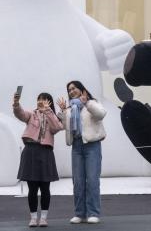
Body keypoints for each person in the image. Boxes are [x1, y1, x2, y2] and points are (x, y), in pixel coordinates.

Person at [57, 81, 106, 225]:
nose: (71, 91)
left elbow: (101, 114)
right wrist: (63, 113)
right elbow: (66, 128)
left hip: (92, 146)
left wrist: (87, 104)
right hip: (77, 146)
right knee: (77, 181)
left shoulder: (92, 103)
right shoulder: (70, 109)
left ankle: (93, 212)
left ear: (81, 89)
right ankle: (79, 213)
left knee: (92, 180)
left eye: (74, 88)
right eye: (69, 90)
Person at [13, 92, 64, 228]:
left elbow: (58, 127)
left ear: (50, 103)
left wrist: (48, 111)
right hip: (30, 151)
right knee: (32, 188)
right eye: (39, 99)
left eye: (44, 100)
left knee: (45, 187)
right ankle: (33, 217)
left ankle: (44, 218)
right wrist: (16, 104)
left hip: (45, 152)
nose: (41, 101)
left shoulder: (52, 116)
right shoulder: (32, 114)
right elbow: (21, 114)